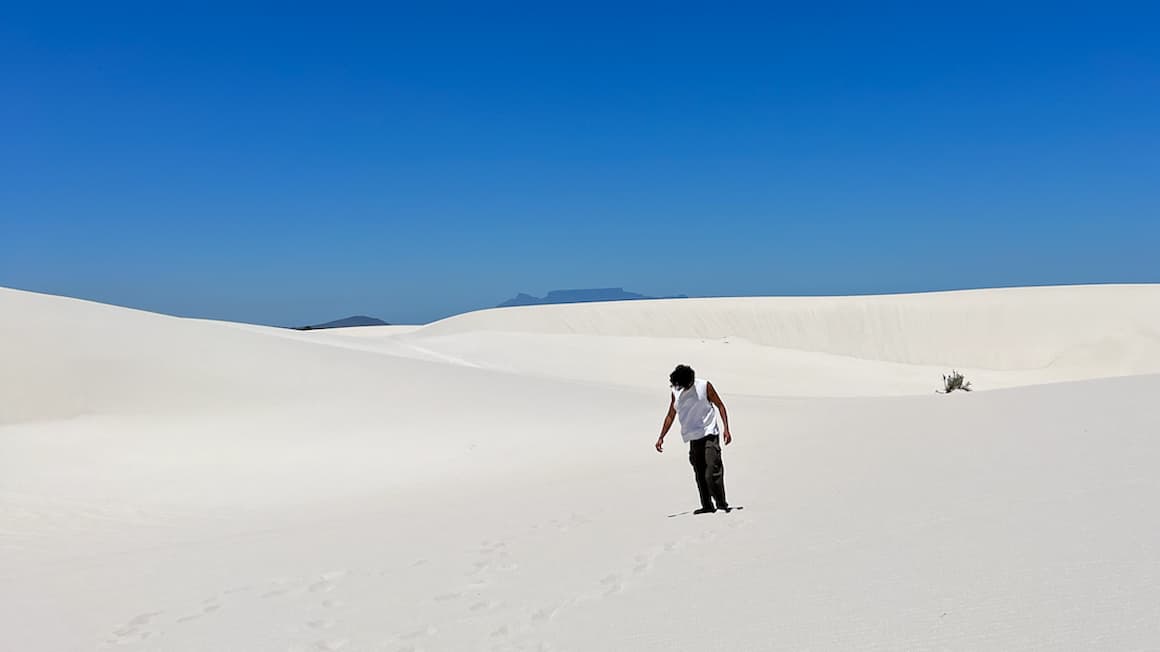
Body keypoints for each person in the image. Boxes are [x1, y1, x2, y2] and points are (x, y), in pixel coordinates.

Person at [655, 364, 733, 514]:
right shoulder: (676, 392)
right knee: (700, 472)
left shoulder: (704, 386)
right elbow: (671, 414)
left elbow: (720, 405)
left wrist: (726, 429)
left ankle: (721, 503)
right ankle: (707, 505)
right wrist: (661, 437)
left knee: (712, 469)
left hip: (709, 432)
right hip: (693, 437)